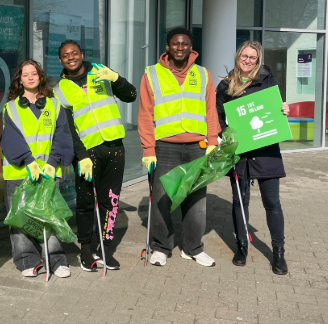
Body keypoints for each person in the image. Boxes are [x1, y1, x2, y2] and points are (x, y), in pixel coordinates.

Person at [139, 27, 221, 268]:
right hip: (165, 147)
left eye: (185, 44)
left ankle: (193, 248)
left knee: (196, 200)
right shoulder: (151, 74)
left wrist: (213, 141)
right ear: (168, 47)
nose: (180, 47)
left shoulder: (203, 74)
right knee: (163, 199)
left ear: (191, 47)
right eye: (175, 43)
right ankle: (161, 248)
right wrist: (148, 149)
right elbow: (145, 114)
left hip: (198, 146)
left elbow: (210, 110)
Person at [53, 40, 137, 271]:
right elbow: (67, 128)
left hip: (114, 148)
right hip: (87, 154)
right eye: (65, 55)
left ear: (81, 54)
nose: (71, 57)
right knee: (85, 203)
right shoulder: (59, 90)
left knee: (110, 201)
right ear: (61, 60)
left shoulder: (101, 73)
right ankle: (86, 250)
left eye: (74, 53)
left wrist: (116, 78)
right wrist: (81, 156)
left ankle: (106, 249)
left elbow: (131, 95)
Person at [216, 41, 289, 275]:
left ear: (258, 61)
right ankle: (242, 247)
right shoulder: (225, 86)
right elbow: (218, 118)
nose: (248, 60)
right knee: (240, 201)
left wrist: (283, 110)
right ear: (238, 57)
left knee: (272, 203)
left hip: (266, 151)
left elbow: (276, 109)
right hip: (240, 154)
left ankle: (278, 253)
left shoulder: (268, 80)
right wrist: (223, 134)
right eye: (244, 56)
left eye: (253, 58)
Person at [1, 59, 74, 278]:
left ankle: (57, 259)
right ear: (19, 80)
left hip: (48, 172)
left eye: (34, 73)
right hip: (19, 172)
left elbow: (63, 136)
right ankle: (27, 260)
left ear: (41, 76)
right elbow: (9, 139)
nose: (31, 77)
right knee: (20, 218)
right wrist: (27, 160)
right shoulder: (10, 108)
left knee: (51, 217)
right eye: (26, 75)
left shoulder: (54, 105)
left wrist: (53, 162)